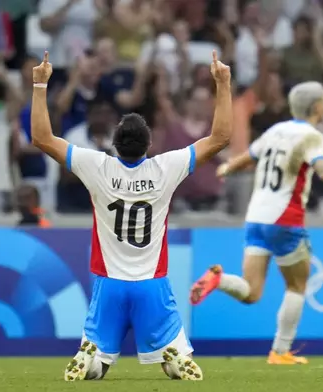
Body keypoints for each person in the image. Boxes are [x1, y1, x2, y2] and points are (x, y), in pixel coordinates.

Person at [30, 50, 232, 381]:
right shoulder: (166, 167)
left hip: (109, 283)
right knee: (174, 360)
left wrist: (40, 85)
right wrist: (222, 84)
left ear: (115, 143)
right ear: (149, 144)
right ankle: (174, 358)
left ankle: (89, 356)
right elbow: (220, 138)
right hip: (151, 283)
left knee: (98, 366)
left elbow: (42, 138)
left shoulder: (96, 165)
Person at [189, 81, 323, 365]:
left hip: (256, 218)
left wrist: (226, 167)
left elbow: (248, 156)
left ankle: (219, 279)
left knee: (251, 291)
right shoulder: (313, 136)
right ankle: (280, 351)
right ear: (317, 106)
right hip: (285, 220)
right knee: (296, 286)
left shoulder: (275, 131)